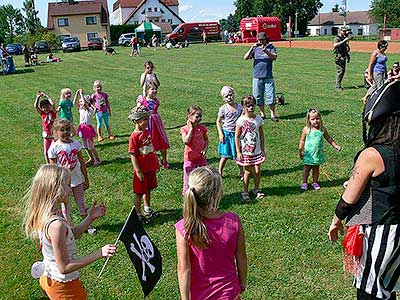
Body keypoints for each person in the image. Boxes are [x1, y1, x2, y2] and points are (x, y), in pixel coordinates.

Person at [328, 80, 400, 300]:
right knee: (392, 285)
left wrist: (336, 220)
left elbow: (348, 200)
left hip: (382, 231)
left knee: (371, 291)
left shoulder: (371, 155)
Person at [23, 164, 116, 300]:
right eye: (67, 185)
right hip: (64, 287)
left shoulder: (46, 214)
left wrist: (90, 218)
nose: (70, 190)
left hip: (49, 278)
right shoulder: (56, 225)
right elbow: (64, 267)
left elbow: (71, 234)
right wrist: (99, 253)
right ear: (55, 189)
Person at [176, 166, 247, 300]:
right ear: (217, 194)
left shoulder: (184, 228)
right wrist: (242, 282)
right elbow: (241, 257)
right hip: (229, 294)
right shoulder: (233, 222)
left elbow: (183, 269)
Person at [48, 118, 96, 235]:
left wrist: (86, 178)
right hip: (63, 184)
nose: (65, 132)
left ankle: (87, 225)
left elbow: (82, 162)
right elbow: (52, 168)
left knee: (81, 203)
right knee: (65, 206)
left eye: (67, 129)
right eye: (62, 130)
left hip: (77, 180)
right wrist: (56, 184)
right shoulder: (54, 147)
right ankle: (69, 228)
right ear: (56, 132)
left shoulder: (76, 144)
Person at [128, 106, 160, 224]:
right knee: (139, 192)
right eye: (144, 119)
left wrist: (156, 163)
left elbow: (151, 150)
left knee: (148, 189)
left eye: (147, 119)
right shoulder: (134, 136)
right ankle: (138, 213)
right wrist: (138, 170)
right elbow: (133, 154)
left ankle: (147, 209)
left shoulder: (147, 132)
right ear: (136, 121)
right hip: (142, 169)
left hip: (150, 167)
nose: (147, 121)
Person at [298, 108, 341, 191]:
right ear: (308, 120)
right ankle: (304, 182)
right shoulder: (307, 129)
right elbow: (302, 140)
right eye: (313, 119)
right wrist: (300, 150)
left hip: (317, 154)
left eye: (317, 118)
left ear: (320, 118)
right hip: (308, 154)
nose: (315, 121)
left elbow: (328, 138)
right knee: (306, 169)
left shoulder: (322, 129)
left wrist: (335, 145)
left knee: (316, 169)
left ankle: (314, 182)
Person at [235, 95, 265, 201]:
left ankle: (256, 189)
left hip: (256, 151)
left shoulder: (258, 119)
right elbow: (237, 136)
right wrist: (238, 152)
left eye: (252, 105)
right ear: (243, 107)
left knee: (257, 171)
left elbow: (261, 135)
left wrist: (263, 149)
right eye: (248, 106)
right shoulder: (241, 120)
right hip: (246, 152)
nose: (251, 108)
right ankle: (245, 191)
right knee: (247, 172)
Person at [244, 32, 279, 121]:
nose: (261, 41)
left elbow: (274, 57)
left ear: (266, 39)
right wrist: (252, 47)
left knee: (270, 96)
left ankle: (273, 114)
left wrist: (266, 51)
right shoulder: (255, 49)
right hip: (257, 76)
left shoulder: (271, 47)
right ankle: (262, 114)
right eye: (259, 40)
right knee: (258, 96)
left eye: (262, 39)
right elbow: (245, 57)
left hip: (268, 76)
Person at [136, 83, 170, 168]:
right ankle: (150, 161)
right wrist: (139, 107)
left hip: (156, 123)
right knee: (148, 142)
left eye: (155, 89)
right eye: (152, 89)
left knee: (161, 140)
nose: (154, 91)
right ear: (147, 90)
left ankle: (164, 160)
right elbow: (138, 109)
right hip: (147, 123)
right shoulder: (142, 99)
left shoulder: (156, 101)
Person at [216, 86, 244, 178]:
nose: (229, 98)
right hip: (226, 134)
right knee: (225, 155)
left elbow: (243, 117)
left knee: (238, 154)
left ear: (234, 95)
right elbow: (218, 121)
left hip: (237, 134)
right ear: (223, 98)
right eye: (226, 96)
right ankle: (220, 171)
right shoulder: (223, 109)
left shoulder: (240, 107)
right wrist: (220, 133)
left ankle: (241, 171)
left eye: (231, 95)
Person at [180, 105, 208, 195]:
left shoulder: (202, 128)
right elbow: (186, 141)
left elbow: (206, 140)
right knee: (188, 178)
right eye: (197, 116)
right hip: (190, 159)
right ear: (189, 116)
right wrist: (191, 129)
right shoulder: (184, 129)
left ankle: (201, 192)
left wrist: (205, 148)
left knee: (202, 176)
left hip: (200, 158)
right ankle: (187, 194)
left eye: (200, 116)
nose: (199, 118)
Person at [73, 89, 101, 166]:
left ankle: (97, 159)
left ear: (88, 102)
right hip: (82, 128)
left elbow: (85, 104)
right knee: (85, 146)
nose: (80, 103)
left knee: (91, 146)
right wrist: (77, 94)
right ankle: (91, 158)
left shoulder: (90, 110)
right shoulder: (81, 110)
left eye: (81, 101)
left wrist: (82, 94)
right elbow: (74, 103)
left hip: (88, 129)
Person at [34, 91, 57, 163]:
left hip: (54, 135)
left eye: (47, 106)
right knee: (46, 151)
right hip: (46, 136)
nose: (46, 108)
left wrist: (46, 96)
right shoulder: (42, 114)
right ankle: (48, 164)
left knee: (55, 151)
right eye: (43, 107)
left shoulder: (53, 112)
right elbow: (35, 106)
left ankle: (56, 162)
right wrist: (38, 97)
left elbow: (53, 103)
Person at [333, 27, 351, 91]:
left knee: (342, 71)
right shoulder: (337, 38)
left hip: (343, 56)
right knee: (340, 71)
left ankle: (339, 85)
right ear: (340, 31)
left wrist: (348, 56)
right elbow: (335, 45)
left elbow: (345, 48)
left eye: (345, 31)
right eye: (343, 31)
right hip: (338, 57)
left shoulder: (343, 38)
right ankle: (337, 87)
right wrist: (344, 41)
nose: (345, 32)